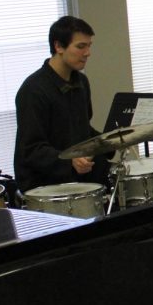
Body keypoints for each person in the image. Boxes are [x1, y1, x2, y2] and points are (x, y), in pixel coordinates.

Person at [14, 16, 111, 193]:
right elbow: (31, 149)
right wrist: (69, 161)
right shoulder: (33, 90)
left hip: (77, 177)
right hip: (44, 185)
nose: (87, 52)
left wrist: (112, 140)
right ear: (58, 46)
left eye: (89, 46)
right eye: (81, 46)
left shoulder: (81, 82)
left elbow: (81, 130)